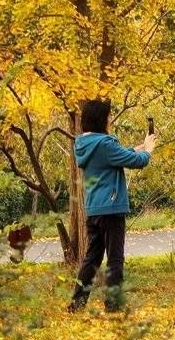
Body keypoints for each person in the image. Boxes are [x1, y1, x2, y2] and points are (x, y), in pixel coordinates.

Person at [67, 100, 157, 313]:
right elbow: (137, 162)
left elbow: (117, 155)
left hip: (95, 209)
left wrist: (139, 147)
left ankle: (77, 303)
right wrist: (149, 150)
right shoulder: (105, 144)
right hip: (112, 207)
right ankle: (113, 305)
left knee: (93, 258)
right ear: (101, 119)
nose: (110, 120)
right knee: (115, 258)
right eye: (108, 116)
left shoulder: (85, 144)